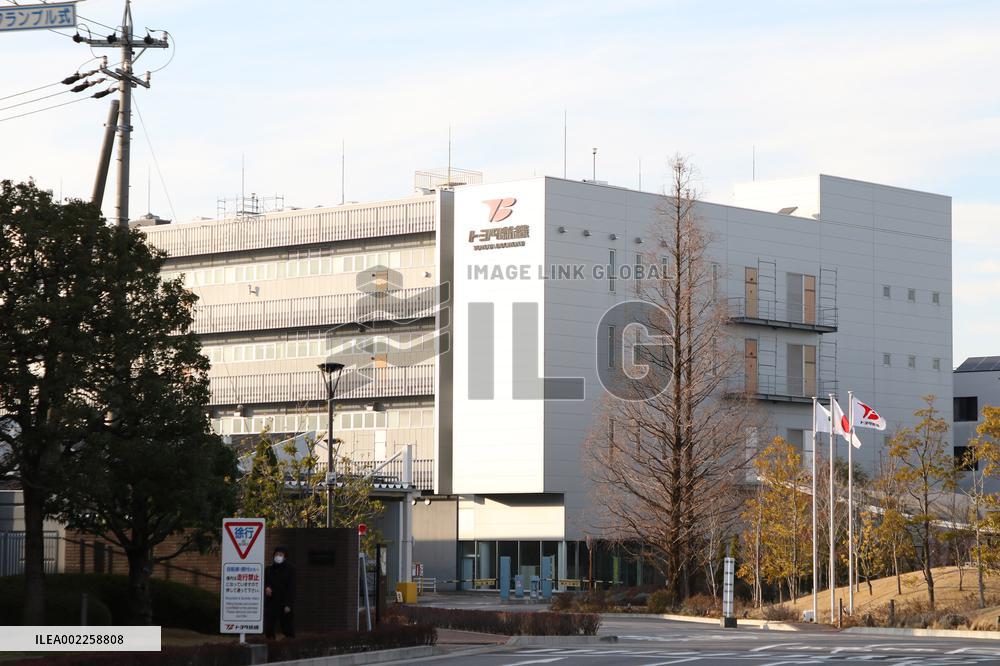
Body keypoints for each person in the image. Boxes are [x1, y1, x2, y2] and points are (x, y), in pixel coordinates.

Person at [264, 545, 296, 639]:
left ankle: (290, 644)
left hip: (284, 602)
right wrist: (267, 588)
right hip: (271, 601)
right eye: (276, 554)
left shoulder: (290, 569)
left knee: (287, 626)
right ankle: (271, 644)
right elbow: (265, 582)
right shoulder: (269, 569)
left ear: (285, 557)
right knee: (269, 626)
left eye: (281, 555)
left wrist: (288, 604)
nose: (278, 556)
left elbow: (292, 587)